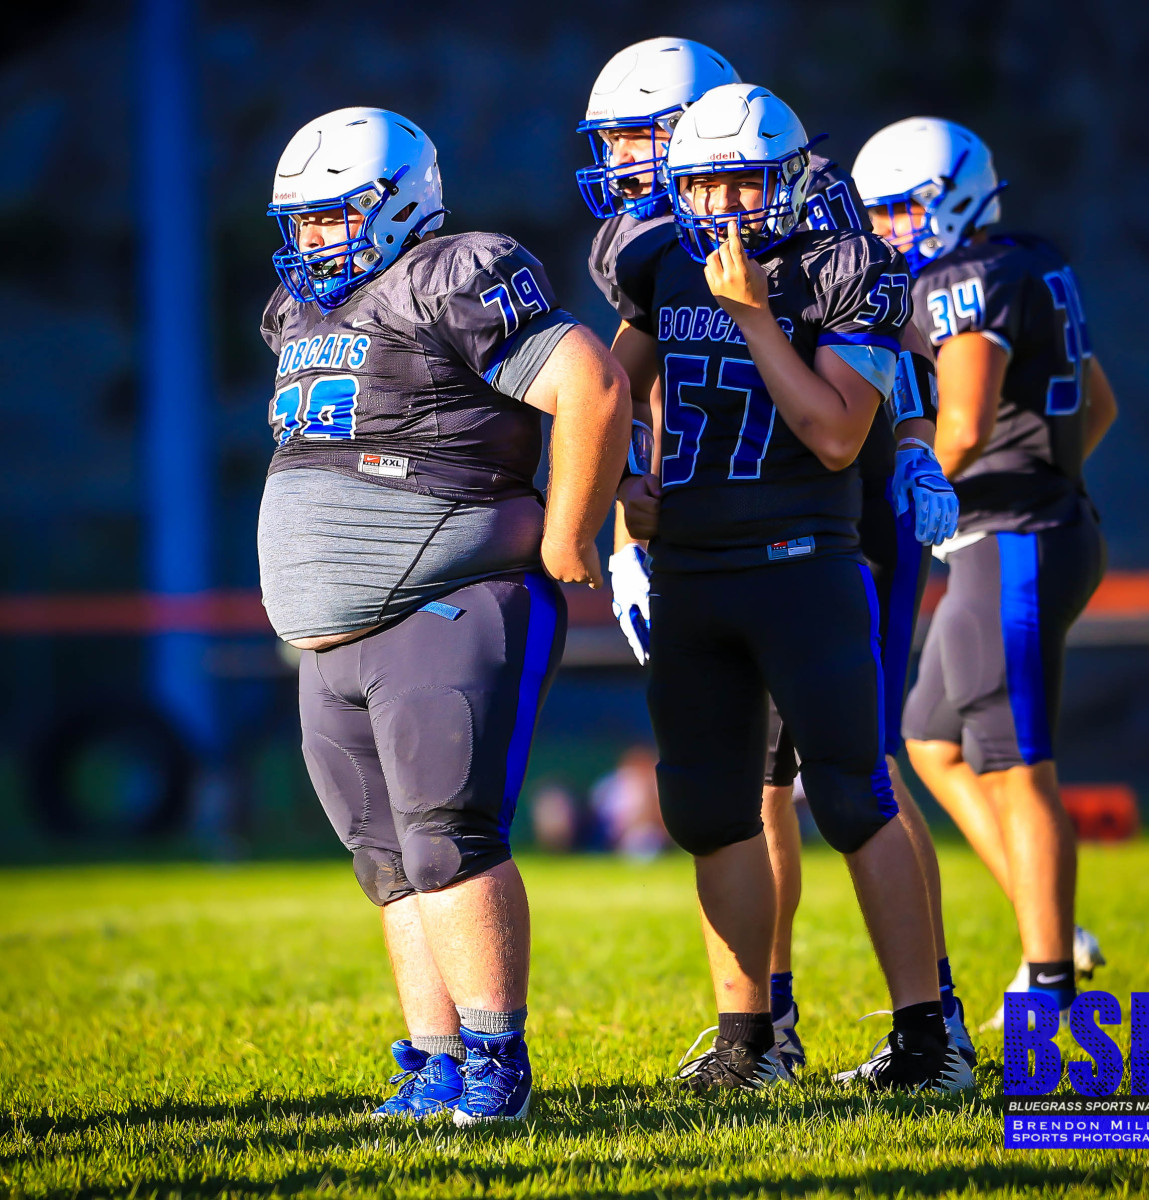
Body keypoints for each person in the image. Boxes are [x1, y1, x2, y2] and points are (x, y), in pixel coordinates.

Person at [579, 38, 972, 1075]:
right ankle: (754, 1032)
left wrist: (915, 443)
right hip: (699, 556)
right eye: (691, 176)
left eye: (639, 139)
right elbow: (607, 395)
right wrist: (618, 507)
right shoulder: (653, 254)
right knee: (718, 802)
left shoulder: (835, 251)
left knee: (852, 783)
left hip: (817, 537)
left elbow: (848, 417)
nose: (624, 164)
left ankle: (929, 1028)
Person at [257, 107, 629, 1123]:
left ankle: (497, 1063)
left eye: (334, 216)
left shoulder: (452, 273)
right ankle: (434, 1063)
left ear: (397, 203)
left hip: (447, 601)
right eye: (304, 220)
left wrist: (571, 531)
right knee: (385, 862)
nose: (314, 239)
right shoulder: (299, 310)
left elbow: (592, 385)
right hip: (335, 636)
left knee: (444, 840)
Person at [852, 117, 1117, 1028]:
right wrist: (1051, 477)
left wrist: (905, 495)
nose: (887, 228)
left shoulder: (963, 277)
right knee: (933, 740)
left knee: (1014, 766)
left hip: (1011, 538)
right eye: (877, 211)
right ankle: (1057, 930)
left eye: (901, 208)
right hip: (1029, 528)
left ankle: (1049, 984)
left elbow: (960, 426)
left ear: (956, 194)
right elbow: (1099, 404)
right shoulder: (1028, 257)